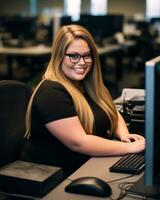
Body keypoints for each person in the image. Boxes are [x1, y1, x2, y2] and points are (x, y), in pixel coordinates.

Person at [21, 24, 145, 178]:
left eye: (87, 55)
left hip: (87, 164)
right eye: (73, 56)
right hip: (57, 177)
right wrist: (129, 148)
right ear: (59, 56)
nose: (82, 62)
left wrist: (124, 135)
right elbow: (79, 142)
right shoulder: (51, 92)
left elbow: (111, 110)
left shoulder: (88, 84)